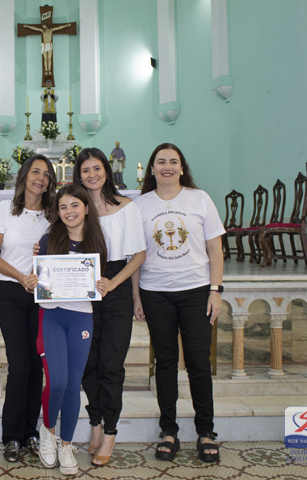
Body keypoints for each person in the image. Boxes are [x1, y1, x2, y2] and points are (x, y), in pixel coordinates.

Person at [133, 143, 224, 463]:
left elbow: (215, 248)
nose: (167, 167)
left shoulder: (199, 199)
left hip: (196, 291)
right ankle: (168, 430)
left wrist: (215, 290)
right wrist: (136, 296)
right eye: (161, 162)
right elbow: (136, 255)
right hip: (155, 292)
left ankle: (206, 431)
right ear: (152, 169)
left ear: (182, 168)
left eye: (173, 161)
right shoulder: (140, 205)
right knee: (166, 362)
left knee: (199, 362)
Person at [73, 148, 146, 465]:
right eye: (85, 170)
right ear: (79, 175)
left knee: (112, 363)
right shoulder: (78, 208)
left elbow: (139, 255)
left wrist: (121, 288)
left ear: (107, 170)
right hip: (83, 286)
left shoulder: (126, 207)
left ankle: (112, 431)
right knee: (88, 362)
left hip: (115, 286)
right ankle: (96, 423)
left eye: (97, 168)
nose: (92, 175)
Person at [0, 154, 57, 462]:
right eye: (35, 172)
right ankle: (12, 436)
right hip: (11, 292)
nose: (40, 178)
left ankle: (30, 432)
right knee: (19, 364)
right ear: (25, 175)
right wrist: (21, 277)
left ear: (50, 182)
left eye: (46, 174)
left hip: (43, 294)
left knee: (37, 364)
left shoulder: (54, 214)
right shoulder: (5, 209)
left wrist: (38, 272)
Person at [36, 184, 109, 476]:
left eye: (75, 205)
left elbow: (100, 280)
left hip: (81, 318)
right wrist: (32, 280)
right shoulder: (47, 240)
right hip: (52, 317)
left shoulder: (96, 242)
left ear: (86, 208)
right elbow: (38, 278)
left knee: (72, 383)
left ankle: (66, 445)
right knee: (56, 382)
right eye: (63, 207)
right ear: (57, 212)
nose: (69, 212)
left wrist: (103, 285)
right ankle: (48, 431)